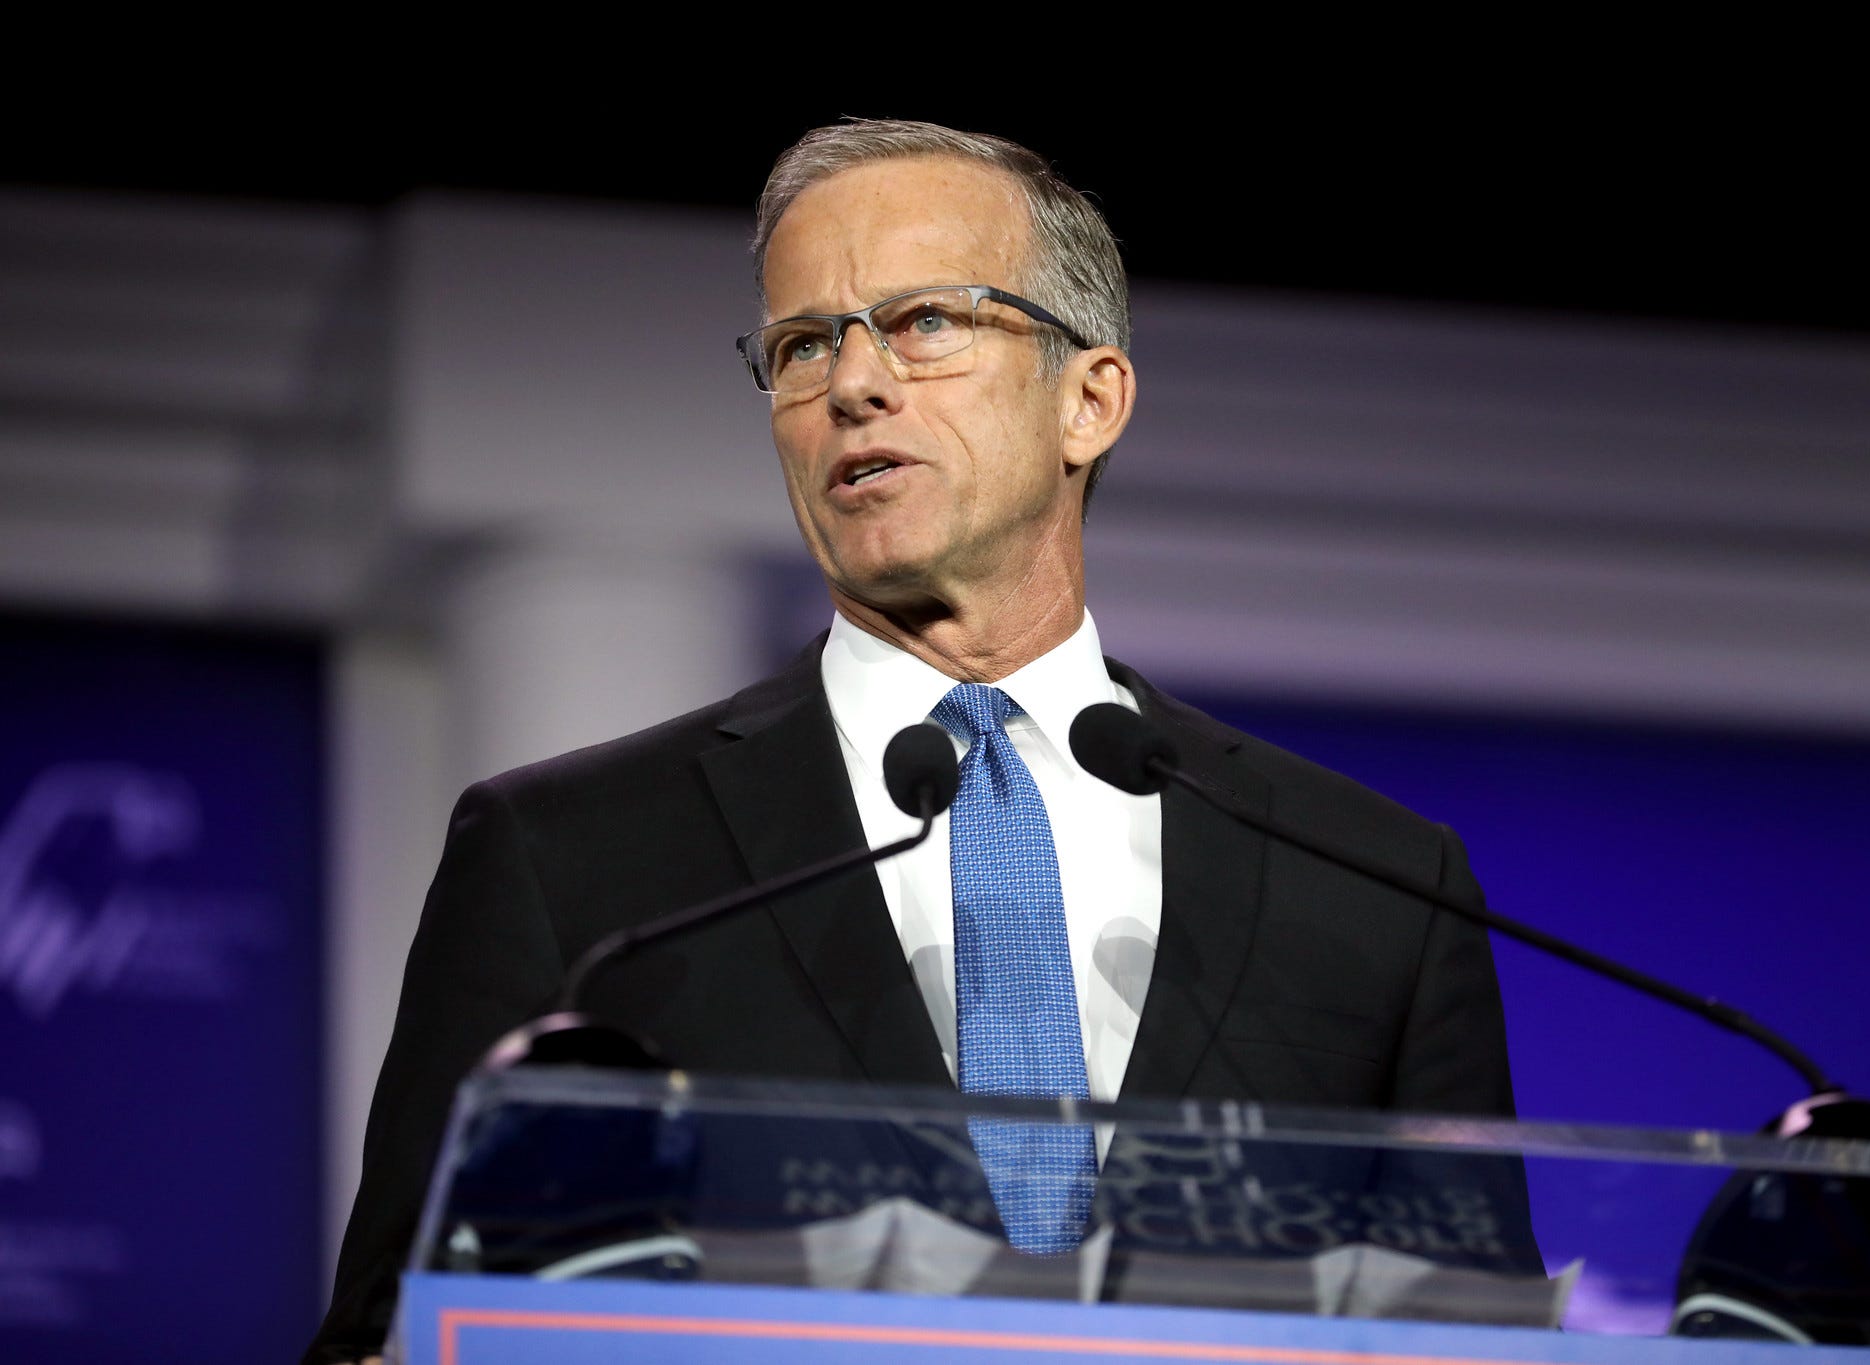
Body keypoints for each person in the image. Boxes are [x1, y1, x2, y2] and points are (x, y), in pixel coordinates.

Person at [304, 119, 1521, 1364]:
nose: (851, 384)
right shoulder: (570, 861)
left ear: (1089, 400)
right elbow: (385, 1334)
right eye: (802, 344)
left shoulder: (1370, 886)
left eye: (925, 321)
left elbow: (1469, 1330)